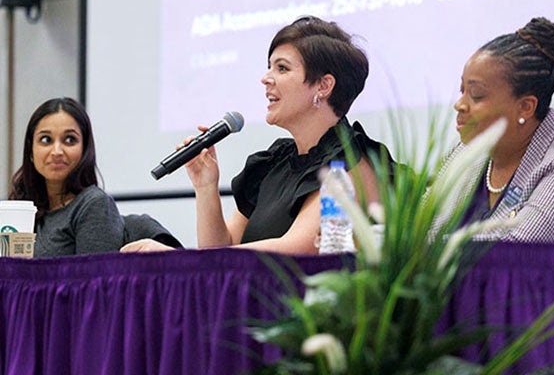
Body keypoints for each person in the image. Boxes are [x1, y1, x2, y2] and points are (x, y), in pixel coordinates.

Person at [121, 15, 395, 254]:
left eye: (282, 68)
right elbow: (220, 253)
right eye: (269, 66)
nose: (266, 78)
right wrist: (206, 187)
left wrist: (177, 258)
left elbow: (298, 248)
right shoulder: (273, 164)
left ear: (323, 86)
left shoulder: (352, 164)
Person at [439, 17, 554, 243]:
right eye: (462, 90)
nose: (460, 104)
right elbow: (417, 231)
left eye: (476, 95)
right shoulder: (464, 156)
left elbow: (515, 255)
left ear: (525, 107)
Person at [9, 97, 125, 256]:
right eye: (46, 140)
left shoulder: (93, 205)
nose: (57, 151)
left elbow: (96, 280)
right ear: (30, 151)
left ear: (85, 149)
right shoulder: (22, 208)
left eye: (70, 140)